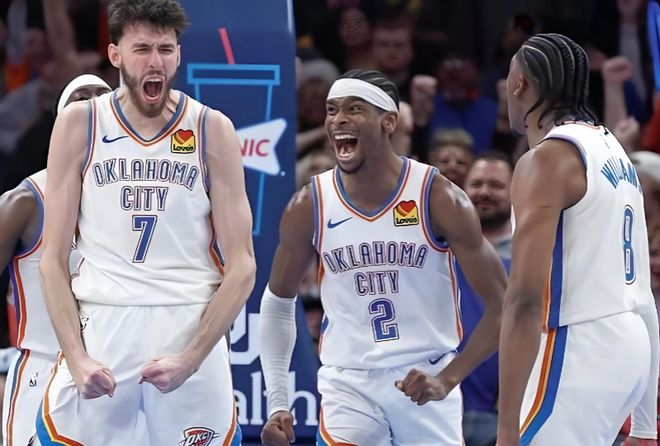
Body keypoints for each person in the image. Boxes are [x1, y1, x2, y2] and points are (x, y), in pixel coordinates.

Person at [37, 1, 256, 445]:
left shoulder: (212, 129)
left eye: (165, 49)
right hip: (105, 323)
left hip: (187, 323)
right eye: (142, 49)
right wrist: (76, 358)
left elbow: (243, 266)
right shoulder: (80, 123)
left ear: (178, 55)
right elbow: (52, 260)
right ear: (115, 54)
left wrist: (193, 357)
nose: (155, 62)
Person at [259, 69, 507, 446]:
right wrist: (278, 401)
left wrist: (447, 379)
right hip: (349, 382)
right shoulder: (310, 203)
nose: (338, 119)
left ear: (389, 121)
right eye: (332, 110)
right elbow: (278, 302)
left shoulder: (437, 196)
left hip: (424, 377)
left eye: (354, 108)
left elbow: (503, 306)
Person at [497, 33, 659, 446]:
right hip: (630, 347)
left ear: (519, 84)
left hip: (577, 348)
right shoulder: (614, 151)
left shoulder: (546, 160)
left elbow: (523, 300)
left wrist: (506, 429)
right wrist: (645, 423)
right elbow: (642, 292)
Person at [0, 74, 111, 446]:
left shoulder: (140, 201)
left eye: (103, 96)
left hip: (115, 375)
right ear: (60, 120)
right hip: (44, 370)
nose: (93, 104)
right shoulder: (25, 201)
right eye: (81, 98)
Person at [460, 152, 514, 446]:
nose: (484, 192)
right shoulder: (439, 249)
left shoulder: (535, 256)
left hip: (504, 415)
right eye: (476, 184)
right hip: (437, 406)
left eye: (496, 185)